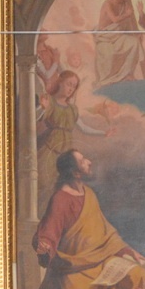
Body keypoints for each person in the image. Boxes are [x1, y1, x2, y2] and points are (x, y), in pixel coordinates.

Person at [28, 150, 145, 289]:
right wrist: (45, 246)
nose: (89, 162)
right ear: (75, 173)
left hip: (101, 259)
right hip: (74, 269)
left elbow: (104, 230)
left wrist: (127, 250)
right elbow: (48, 231)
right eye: (83, 161)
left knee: (136, 273)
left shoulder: (89, 194)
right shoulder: (60, 199)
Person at [36, 71, 107, 205]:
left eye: (74, 86)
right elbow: (34, 119)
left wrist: (103, 133)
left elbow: (83, 128)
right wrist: (43, 108)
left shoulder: (72, 109)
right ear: (60, 82)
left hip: (66, 154)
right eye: (69, 84)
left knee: (61, 185)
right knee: (44, 183)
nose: (71, 89)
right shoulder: (50, 101)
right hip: (50, 148)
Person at [94, 0, 141, 87]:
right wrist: (127, 14)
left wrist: (134, 34)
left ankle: (127, 74)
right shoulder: (108, 3)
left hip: (118, 36)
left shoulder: (125, 5)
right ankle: (106, 80)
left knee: (134, 43)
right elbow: (114, 19)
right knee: (109, 53)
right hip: (105, 36)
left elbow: (128, 22)